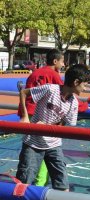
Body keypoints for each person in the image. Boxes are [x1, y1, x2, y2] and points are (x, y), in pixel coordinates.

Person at [1, 64, 90, 200]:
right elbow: (24, 92)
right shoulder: (50, 89)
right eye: (85, 84)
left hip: (53, 144)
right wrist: (25, 117)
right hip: (33, 143)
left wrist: (49, 126)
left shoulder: (73, 102)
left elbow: (66, 125)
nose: (86, 88)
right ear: (75, 82)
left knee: (62, 182)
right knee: (23, 180)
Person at [18, 49, 65, 187]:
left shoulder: (36, 73)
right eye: (62, 61)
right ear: (55, 61)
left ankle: (27, 180)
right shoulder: (54, 75)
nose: (63, 65)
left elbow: (25, 93)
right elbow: (63, 93)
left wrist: (24, 114)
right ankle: (39, 182)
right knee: (47, 145)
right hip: (40, 113)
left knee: (30, 146)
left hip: (28, 112)